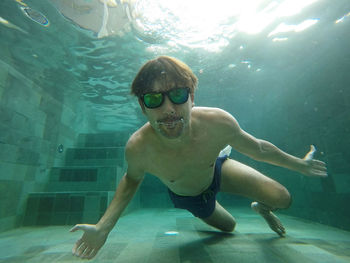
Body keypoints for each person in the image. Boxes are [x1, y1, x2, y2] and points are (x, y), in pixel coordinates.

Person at [70, 56, 327, 260]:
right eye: (153, 99)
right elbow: (131, 180)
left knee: (283, 197)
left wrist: (299, 164)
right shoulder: (139, 148)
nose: (169, 109)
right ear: (143, 107)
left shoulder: (218, 122)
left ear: (192, 98)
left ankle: (262, 208)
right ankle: (210, 210)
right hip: (190, 195)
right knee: (229, 227)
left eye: (178, 95)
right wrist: (103, 227)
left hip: (217, 168)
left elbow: (258, 148)